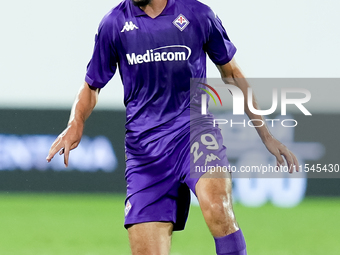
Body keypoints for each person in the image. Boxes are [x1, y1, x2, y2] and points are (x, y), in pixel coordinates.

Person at [47, 0, 299, 254]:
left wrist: (265, 133)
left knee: (218, 208)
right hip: (145, 153)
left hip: (194, 135)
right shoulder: (114, 23)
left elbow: (232, 73)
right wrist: (75, 122)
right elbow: (92, 85)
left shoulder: (198, 14)